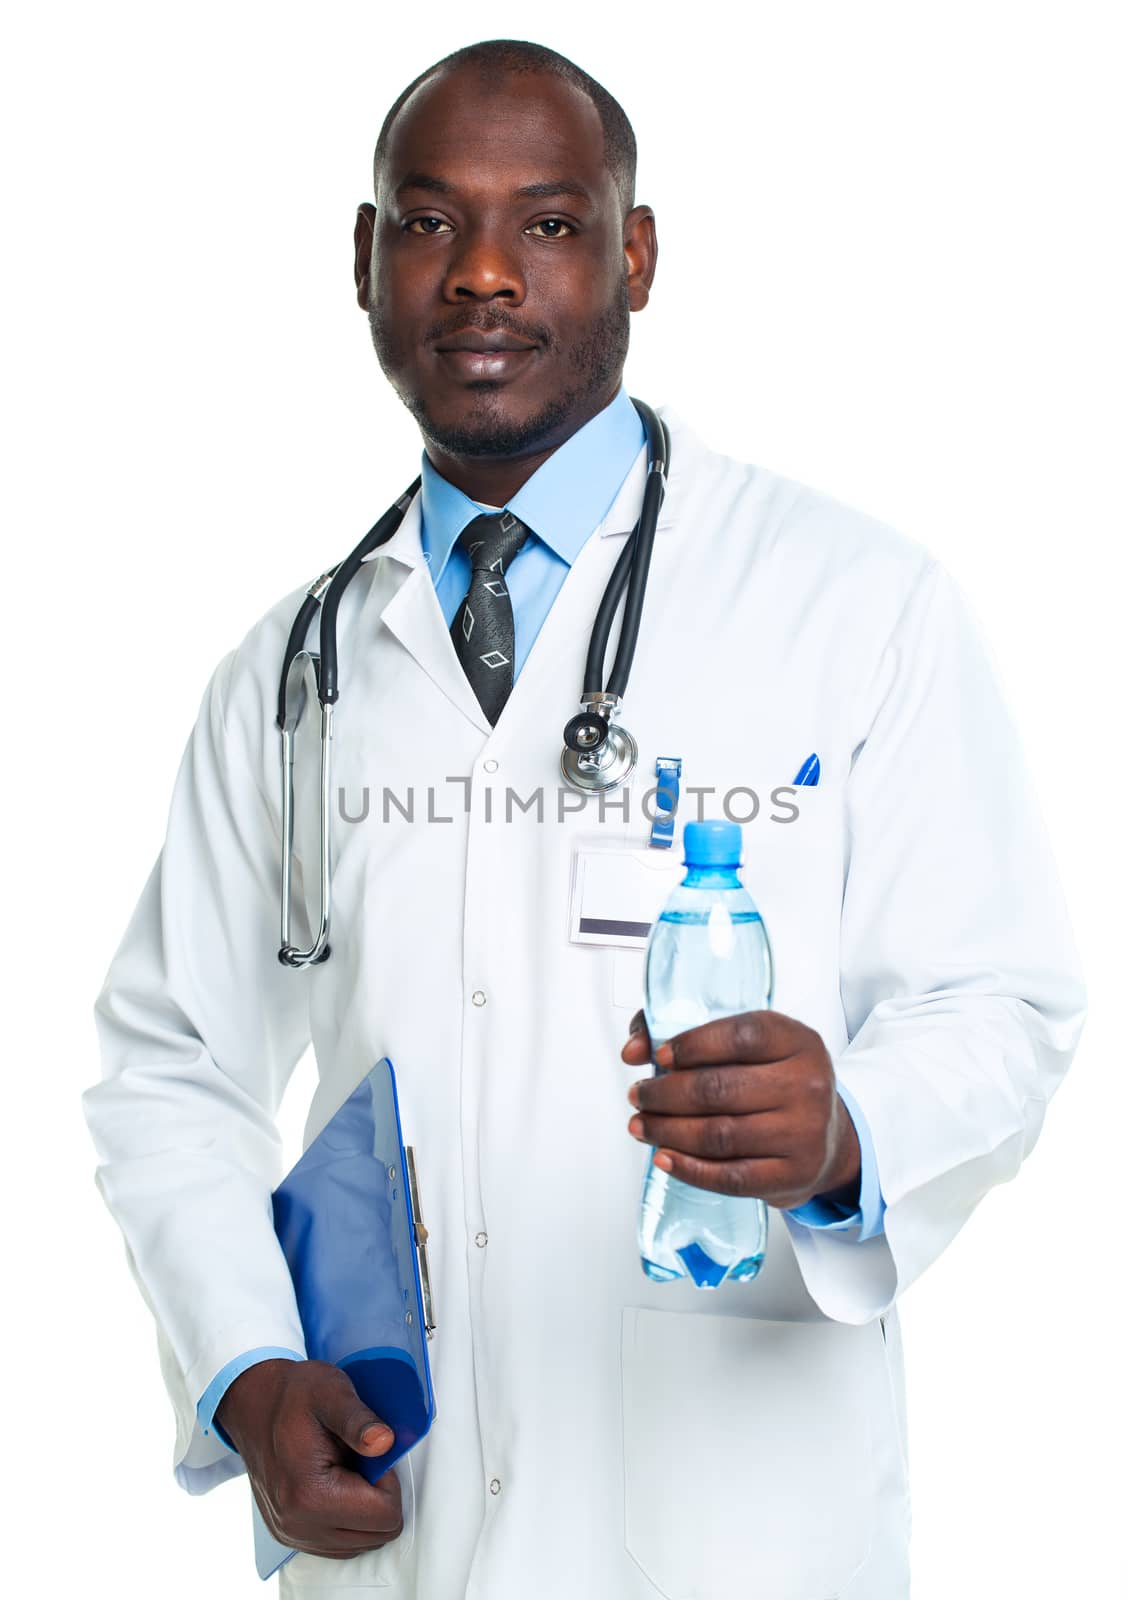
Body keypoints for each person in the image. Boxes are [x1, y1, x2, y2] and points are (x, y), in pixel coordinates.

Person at [83, 37, 1087, 1600]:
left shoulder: (850, 603)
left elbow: (1003, 1002)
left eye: (546, 223)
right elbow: (170, 1069)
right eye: (428, 223)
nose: (482, 273)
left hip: (733, 1536)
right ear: (365, 262)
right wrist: (247, 1371)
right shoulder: (290, 673)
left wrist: (846, 1139)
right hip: (394, 1531)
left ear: (634, 254)